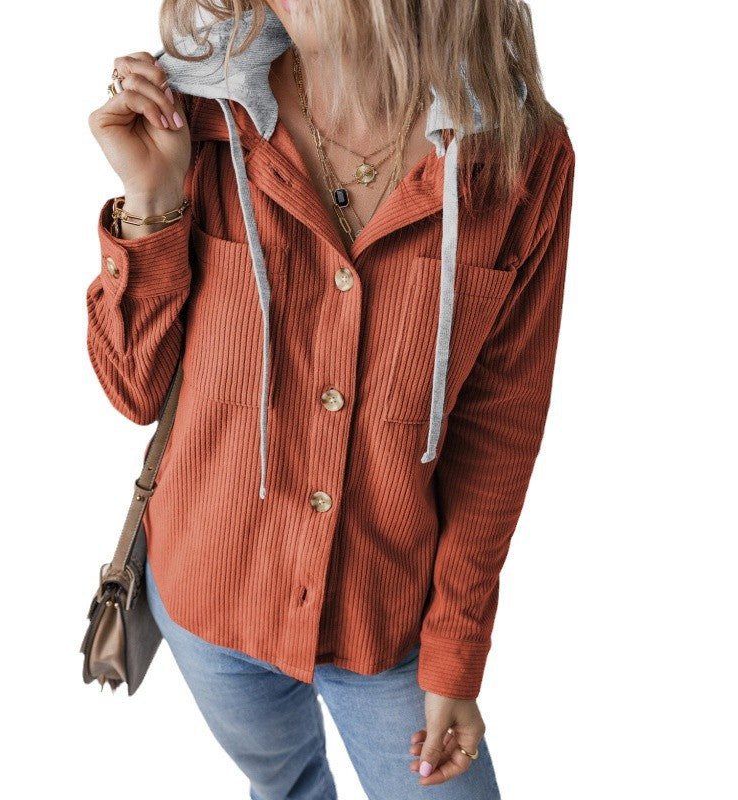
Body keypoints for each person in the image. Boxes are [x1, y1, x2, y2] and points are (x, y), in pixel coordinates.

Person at [86, 1, 575, 797]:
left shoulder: (521, 157)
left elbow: (499, 427)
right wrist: (152, 198)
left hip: (387, 621)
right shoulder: (199, 112)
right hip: (210, 602)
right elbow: (133, 389)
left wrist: (456, 650)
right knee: (285, 785)